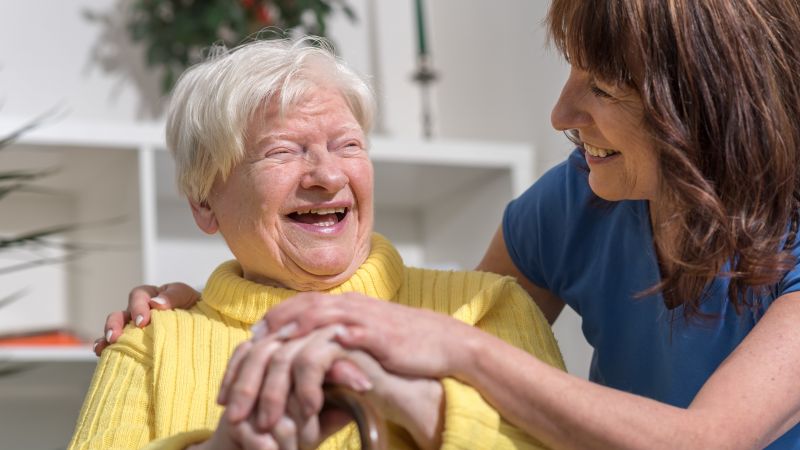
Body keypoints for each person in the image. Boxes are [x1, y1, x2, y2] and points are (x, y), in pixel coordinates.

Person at [103, 0, 800, 448]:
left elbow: (711, 441)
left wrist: (457, 348)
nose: (560, 113)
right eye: (283, 150)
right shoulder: (575, 200)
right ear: (202, 201)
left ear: (702, 107)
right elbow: (451, 341)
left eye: (603, 87)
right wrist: (219, 301)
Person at [69, 37, 565, 450]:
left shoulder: (489, 308)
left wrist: (426, 414)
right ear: (204, 203)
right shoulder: (152, 342)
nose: (328, 175)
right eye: (282, 151)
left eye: (348, 145)